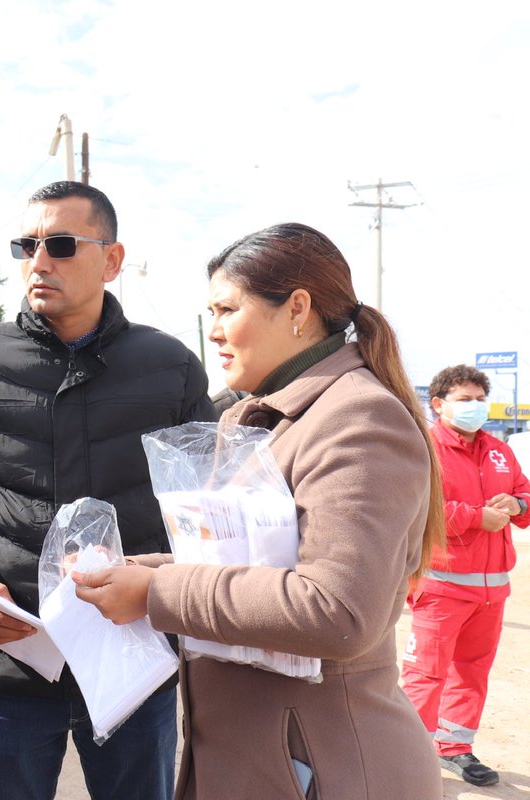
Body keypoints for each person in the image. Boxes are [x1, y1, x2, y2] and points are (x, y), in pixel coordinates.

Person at [70, 222, 445, 799]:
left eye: (226, 309)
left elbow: (338, 610)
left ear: (298, 307)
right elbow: (248, 564)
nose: (213, 332)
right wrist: (140, 572)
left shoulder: (358, 419)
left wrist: (156, 593)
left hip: (322, 766)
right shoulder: (260, 418)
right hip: (252, 760)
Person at [0, 181, 214, 800]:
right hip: (11, 656)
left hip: (134, 657)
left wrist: (173, 597)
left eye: (61, 245)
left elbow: (198, 505)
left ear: (112, 260)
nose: (39, 262)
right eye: (26, 245)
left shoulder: (170, 368)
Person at [400, 364, 526, 787]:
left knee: (472, 672)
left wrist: (516, 504)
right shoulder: (425, 448)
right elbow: (419, 505)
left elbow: (526, 492)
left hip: (493, 589)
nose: (475, 407)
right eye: (464, 399)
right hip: (441, 585)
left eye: (479, 399)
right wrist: (478, 518)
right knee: (426, 674)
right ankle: (409, 758)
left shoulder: (498, 449)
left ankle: (455, 748)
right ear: (438, 404)